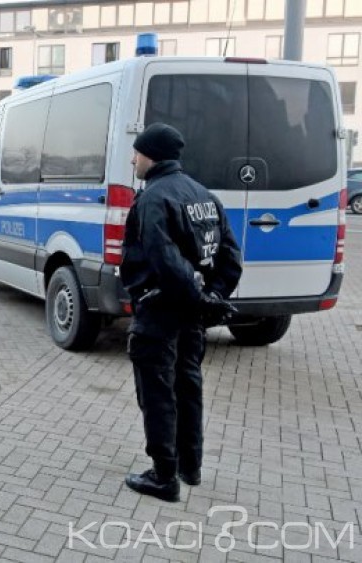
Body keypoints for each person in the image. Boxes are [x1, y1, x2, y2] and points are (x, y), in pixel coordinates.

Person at [119, 123, 242, 502]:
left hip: (161, 311)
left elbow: (163, 258)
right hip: (191, 314)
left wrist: (197, 297)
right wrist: (211, 295)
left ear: (150, 155)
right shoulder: (203, 195)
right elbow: (231, 257)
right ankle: (191, 466)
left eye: (136, 153)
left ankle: (164, 476)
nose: (132, 159)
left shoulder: (155, 198)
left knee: (157, 393)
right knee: (188, 386)